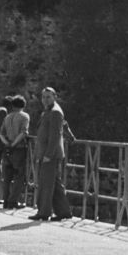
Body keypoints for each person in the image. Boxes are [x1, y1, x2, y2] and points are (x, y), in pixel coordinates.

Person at [29, 86, 74, 221]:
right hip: (47, 152)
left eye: (48, 97)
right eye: (43, 97)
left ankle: (43, 212)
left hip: (50, 154)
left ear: (55, 97)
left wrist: (48, 155)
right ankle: (64, 211)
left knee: (46, 184)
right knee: (55, 184)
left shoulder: (55, 112)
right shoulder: (49, 111)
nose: (45, 100)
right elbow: (62, 126)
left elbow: (55, 135)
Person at [0, 94, 30, 209]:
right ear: (23, 105)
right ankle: (13, 201)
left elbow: (1, 134)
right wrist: (14, 144)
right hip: (18, 148)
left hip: (7, 148)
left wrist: (7, 144)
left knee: (7, 177)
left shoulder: (7, 117)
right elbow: (23, 132)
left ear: (13, 105)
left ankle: (5, 200)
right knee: (19, 176)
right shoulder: (24, 116)